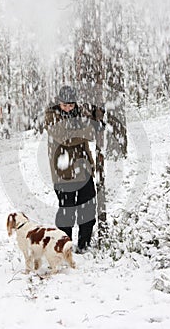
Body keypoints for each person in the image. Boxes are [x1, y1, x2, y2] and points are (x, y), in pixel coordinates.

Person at [44, 85, 105, 253]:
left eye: (71, 105)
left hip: (83, 171)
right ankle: (64, 246)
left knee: (88, 208)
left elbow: (92, 115)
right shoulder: (51, 116)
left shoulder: (80, 112)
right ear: (59, 103)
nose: (68, 108)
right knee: (67, 212)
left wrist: (99, 114)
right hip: (63, 173)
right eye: (65, 105)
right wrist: (91, 129)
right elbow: (66, 138)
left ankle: (84, 245)